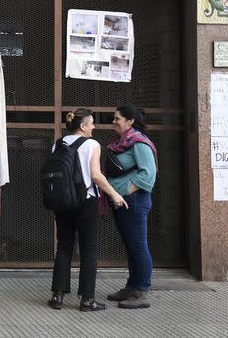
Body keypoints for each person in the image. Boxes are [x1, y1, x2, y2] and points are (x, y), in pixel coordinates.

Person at [48, 108, 128, 312]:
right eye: (91, 123)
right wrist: (114, 194)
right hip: (85, 202)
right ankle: (87, 299)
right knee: (88, 249)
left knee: (64, 246)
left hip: (63, 201)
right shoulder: (92, 144)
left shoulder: (58, 144)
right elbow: (96, 175)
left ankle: (57, 296)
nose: (94, 126)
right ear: (83, 126)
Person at [105, 104, 158, 309]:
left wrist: (126, 190)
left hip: (134, 201)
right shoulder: (123, 142)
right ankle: (132, 287)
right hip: (124, 201)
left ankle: (142, 291)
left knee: (138, 246)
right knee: (131, 246)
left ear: (130, 121)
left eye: (117, 118)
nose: (113, 122)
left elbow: (148, 174)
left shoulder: (139, 143)